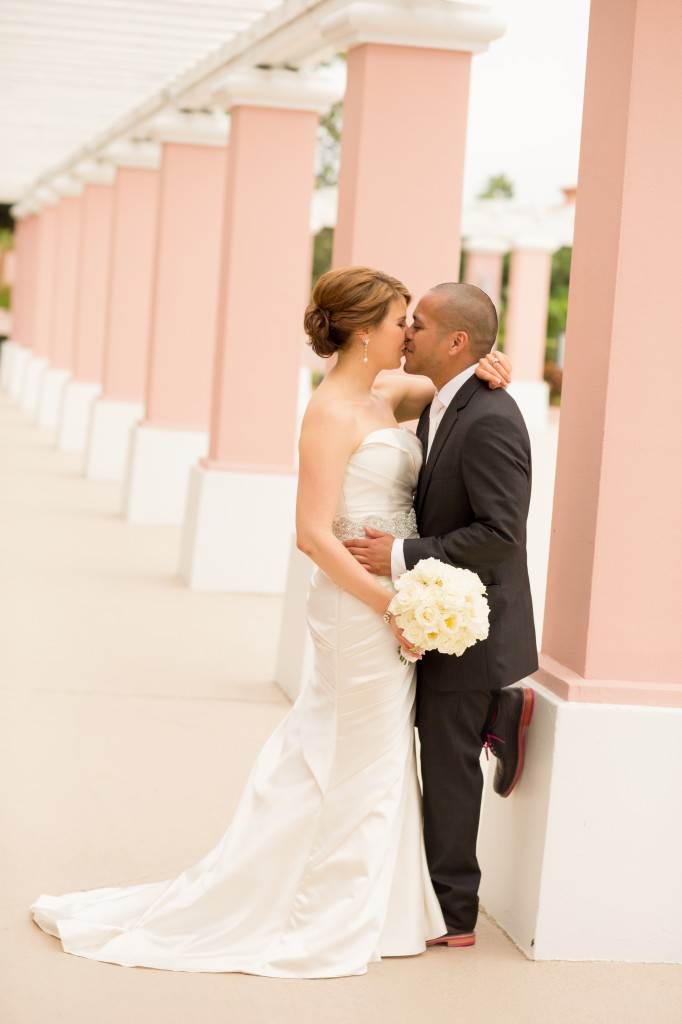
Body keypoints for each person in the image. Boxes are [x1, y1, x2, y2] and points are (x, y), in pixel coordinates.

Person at [30, 267, 508, 979]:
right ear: (365, 328)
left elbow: (454, 386)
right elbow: (313, 536)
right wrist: (394, 607)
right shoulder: (329, 413)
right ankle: (320, 909)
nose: (409, 332)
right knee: (357, 751)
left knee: (368, 758)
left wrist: (493, 366)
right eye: (400, 320)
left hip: (391, 600)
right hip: (356, 607)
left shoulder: (391, 393)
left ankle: (379, 908)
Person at [343, 281, 537, 948]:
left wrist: (401, 553)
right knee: (435, 752)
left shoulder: (490, 419)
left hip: (474, 630)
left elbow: (501, 534)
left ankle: (454, 914)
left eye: (417, 324)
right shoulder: (444, 399)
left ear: (454, 342)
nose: (406, 333)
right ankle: (496, 715)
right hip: (433, 615)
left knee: (448, 764)